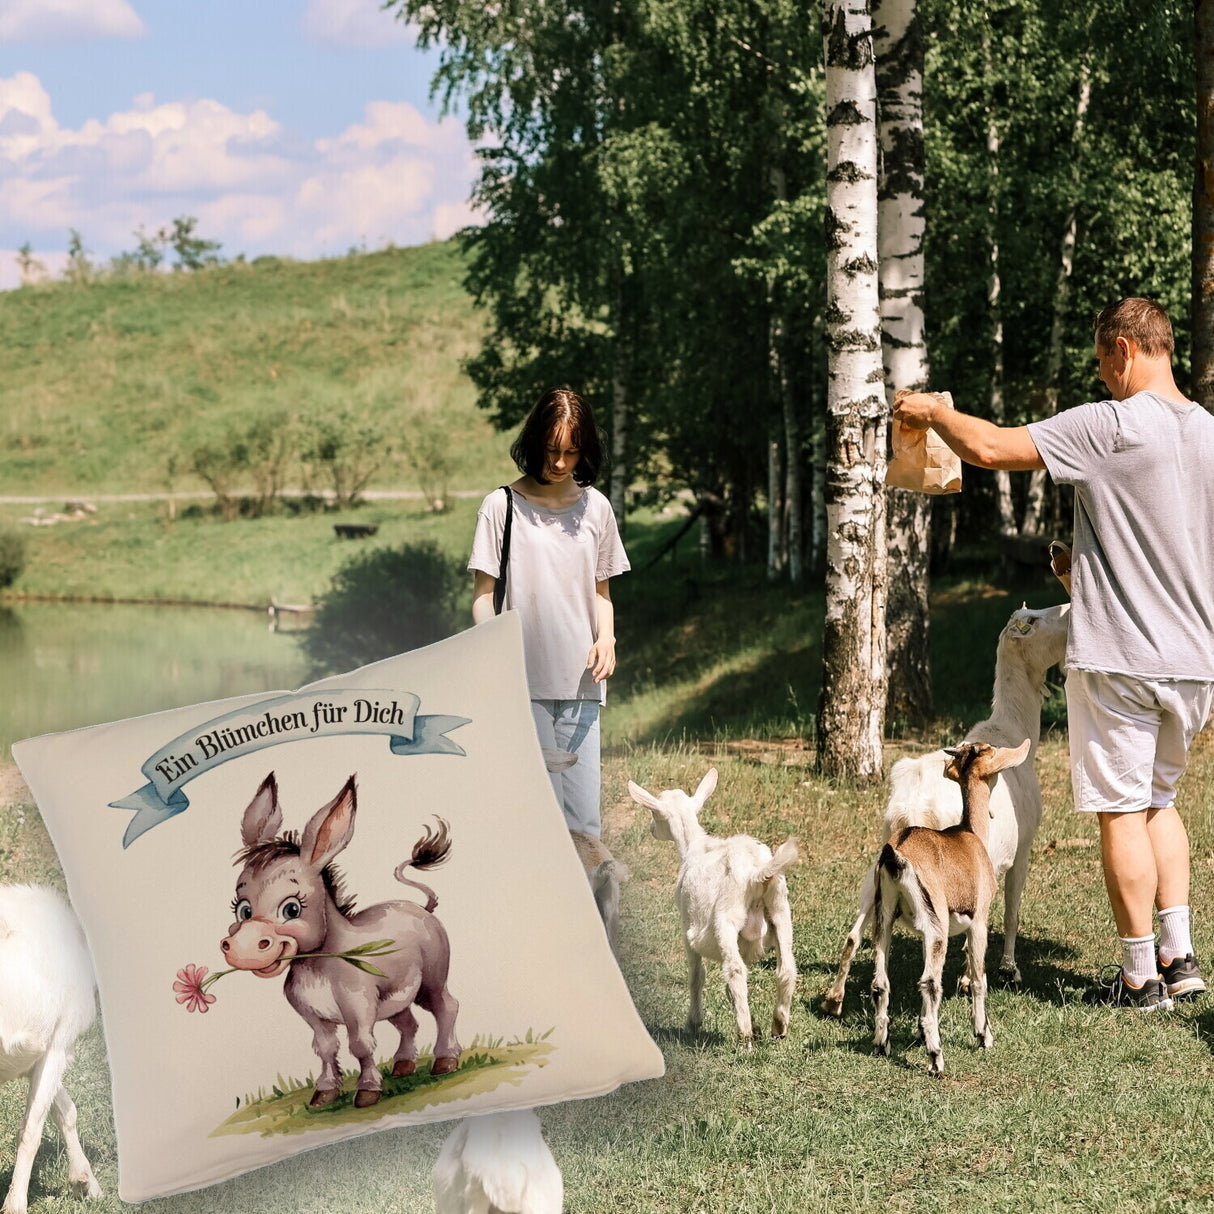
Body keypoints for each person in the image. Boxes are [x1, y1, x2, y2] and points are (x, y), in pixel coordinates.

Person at [895, 297, 1214, 1011]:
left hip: (1124, 658)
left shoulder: (1111, 424)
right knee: (1163, 800)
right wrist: (1089, 574)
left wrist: (934, 414)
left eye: (1104, 365)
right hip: (1194, 658)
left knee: (1122, 810)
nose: (1103, 380)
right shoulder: (1210, 436)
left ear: (1125, 351)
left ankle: (1139, 980)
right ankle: (1180, 957)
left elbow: (990, 448)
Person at [468, 388, 629, 838]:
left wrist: (607, 640)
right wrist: (500, 649)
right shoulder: (500, 507)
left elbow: (602, 593)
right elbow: (483, 598)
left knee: (585, 827)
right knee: (541, 822)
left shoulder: (596, 507)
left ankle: (592, 911)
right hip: (524, 686)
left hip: (583, 685)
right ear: (535, 441)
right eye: (552, 450)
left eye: (571, 452)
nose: (559, 463)